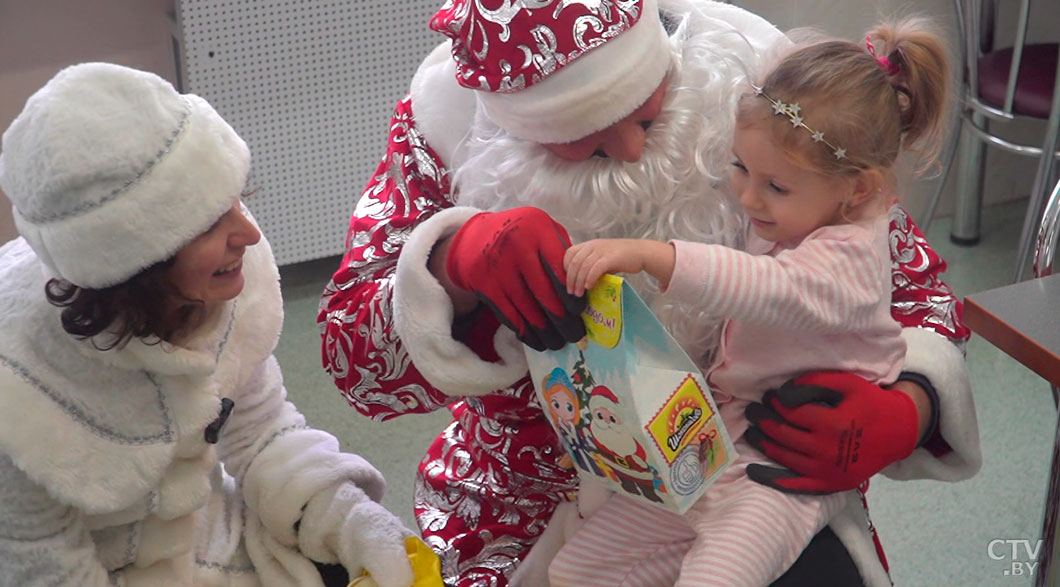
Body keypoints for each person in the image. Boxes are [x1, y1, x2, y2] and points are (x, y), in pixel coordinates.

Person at [318, 1, 981, 585]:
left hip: (760, 458)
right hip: (525, 496)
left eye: (643, 108)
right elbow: (353, 360)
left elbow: (914, 291)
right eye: (588, 139)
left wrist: (910, 407)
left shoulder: (769, 90)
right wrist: (451, 265)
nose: (631, 148)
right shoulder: (443, 125)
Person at [550, 18, 948, 586]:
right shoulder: (803, 204)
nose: (746, 196)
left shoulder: (853, 256)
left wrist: (655, 256)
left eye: (774, 185)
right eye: (739, 167)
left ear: (857, 189)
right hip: (717, 443)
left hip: (783, 470)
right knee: (577, 571)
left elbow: (768, 288)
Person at [0, 62, 424, 587]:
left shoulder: (226, 288)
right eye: (206, 223)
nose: (247, 233)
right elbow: (41, 563)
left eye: (235, 200)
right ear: (133, 263)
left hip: (213, 540)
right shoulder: (18, 388)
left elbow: (261, 432)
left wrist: (350, 520)